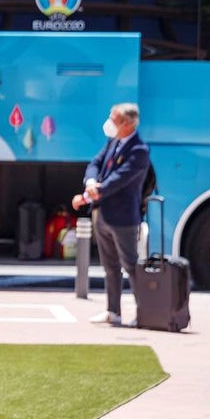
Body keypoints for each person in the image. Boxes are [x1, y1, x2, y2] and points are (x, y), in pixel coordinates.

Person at [72, 102, 150, 326]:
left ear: (127, 124)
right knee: (110, 267)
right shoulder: (113, 142)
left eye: (114, 119)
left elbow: (120, 179)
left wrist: (91, 193)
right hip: (103, 214)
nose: (109, 123)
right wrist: (90, 182)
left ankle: (145, 313)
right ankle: (113, 312)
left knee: (130, 265)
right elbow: (95, 163)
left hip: (123, 218)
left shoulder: (139, 150)